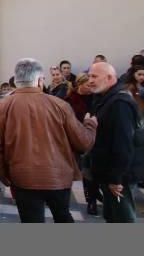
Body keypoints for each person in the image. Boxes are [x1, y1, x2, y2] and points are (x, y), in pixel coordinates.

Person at [0, 58, 97, 223]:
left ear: (16, 81)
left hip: (23, 178)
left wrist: (5, 177)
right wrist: (90, 125)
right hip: (58, 176)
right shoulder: (60, 105)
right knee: (63, 216)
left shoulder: (2, 106)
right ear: (39, 81)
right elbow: (83, 142)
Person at [87, 61, 140, 223]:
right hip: (108, 173)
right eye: (89, 76)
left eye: (94, 76)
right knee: (112, 217)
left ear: (109, 78)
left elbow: (123, 144)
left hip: (118, 178)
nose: (90, 80)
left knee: (123, 219)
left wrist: (116, 179)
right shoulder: (105, 97)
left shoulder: (119, 104)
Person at [65, 72, 102, 216]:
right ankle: (91, 200)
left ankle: (96, 193)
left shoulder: (97, 97)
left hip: (97, 137)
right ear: (80, 84)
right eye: (88, 84)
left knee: (96, 169)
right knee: (87, 171)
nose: (91, 87)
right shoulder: (70, 99)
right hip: (80, 138)